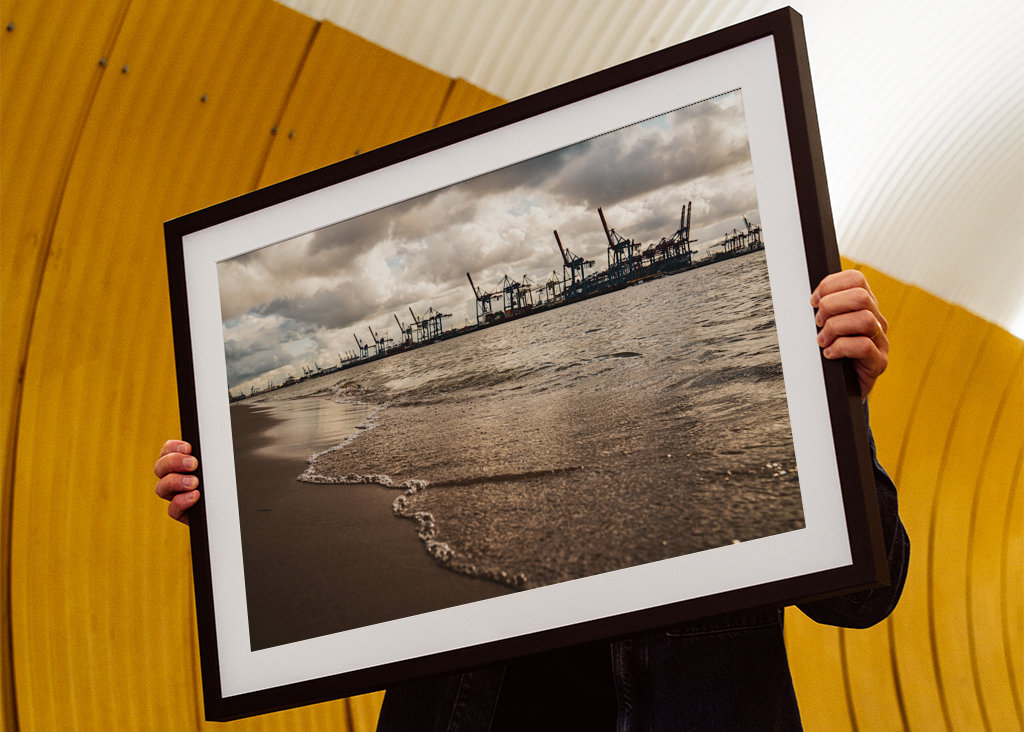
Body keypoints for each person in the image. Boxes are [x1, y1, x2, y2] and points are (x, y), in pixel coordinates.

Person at [155, 270, 908, 730]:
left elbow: (865, 597)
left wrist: (839, 405)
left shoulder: (757, 402)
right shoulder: (448, 487)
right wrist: (229, 519)